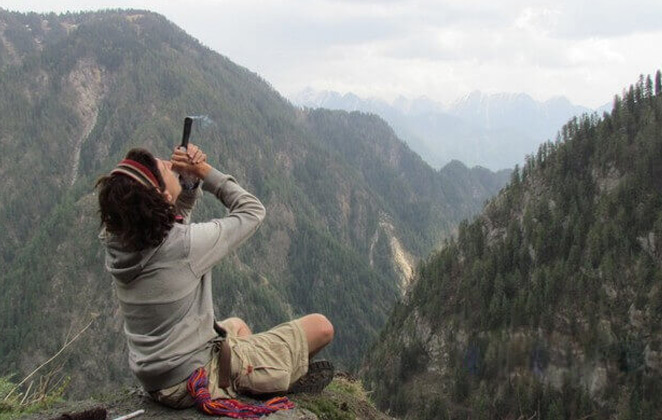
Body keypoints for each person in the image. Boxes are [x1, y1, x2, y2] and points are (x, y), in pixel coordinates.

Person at [96, 144, 334, 410]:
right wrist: (203, 172)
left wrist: (186, 185)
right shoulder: (184, 247)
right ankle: (268, 381)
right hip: (194, 379)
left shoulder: (120, 239)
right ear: (162, 196)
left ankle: (255, 376)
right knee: (321, 327)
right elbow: (252, 211)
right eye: (164, 167)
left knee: (238, 326)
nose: (169, 163)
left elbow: (169, 226)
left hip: (158, 378)